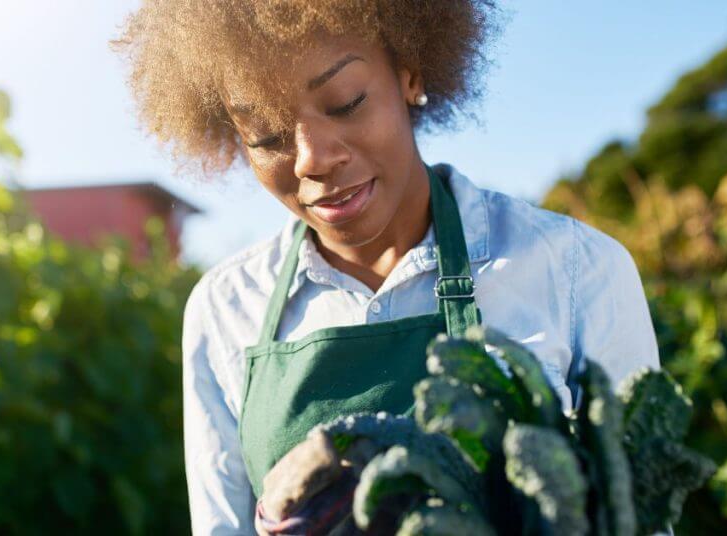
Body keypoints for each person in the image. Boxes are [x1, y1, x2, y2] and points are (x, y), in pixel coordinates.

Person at [114, 2, 661, 534]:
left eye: (346, 102)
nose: (311, 158)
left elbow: (637, 516)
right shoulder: (226, 307)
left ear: (410, 74)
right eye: (267, 137)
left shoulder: (575, 270)